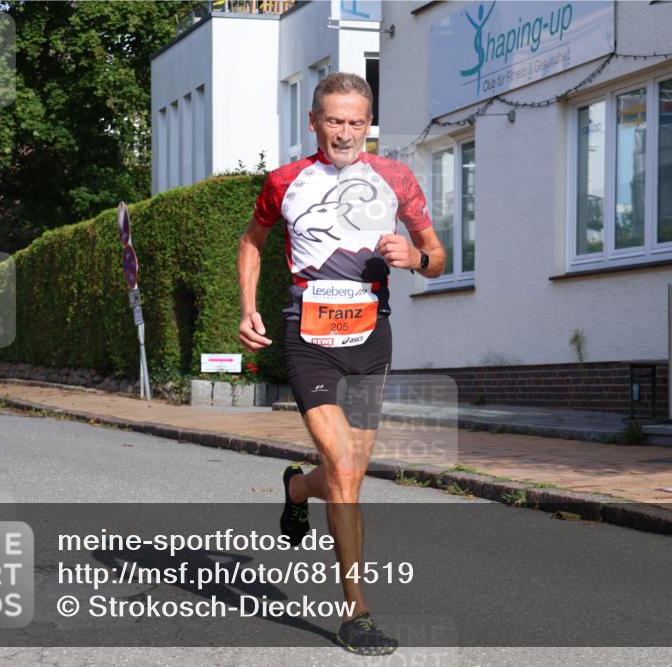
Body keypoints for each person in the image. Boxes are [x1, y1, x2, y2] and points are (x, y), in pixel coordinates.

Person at [237, 72, 444, 655]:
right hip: (309, 337)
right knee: (346, 469)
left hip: (372, 338)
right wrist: (248, 307)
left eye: (356, 122)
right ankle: (358, 611)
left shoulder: (395, 177)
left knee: (343, 472)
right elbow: (252, 241)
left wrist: (417, 255)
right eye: (334, 121)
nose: (346, 133)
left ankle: (299, 489)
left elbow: (437, 257)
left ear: (368, 122)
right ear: (314, 122)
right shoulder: (286, 181)